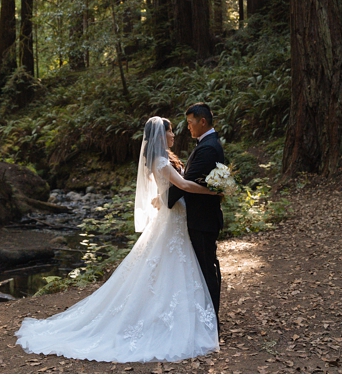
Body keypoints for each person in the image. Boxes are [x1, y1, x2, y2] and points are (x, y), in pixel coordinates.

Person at [15, 117, 220, 363]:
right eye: (170, 131)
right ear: (160, 135)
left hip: (174, 217)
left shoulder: (162, 159)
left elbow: (169, 189)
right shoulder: (161, 162)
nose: (174, 135)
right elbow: (184, 185)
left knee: (168, 267)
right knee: (167, 266)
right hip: (172, 219)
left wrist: (162, 197)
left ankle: (173, 315)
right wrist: (213, 190)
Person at [167, 102, 226, 324]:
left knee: (207, 269)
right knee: (203, 268)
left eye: (191, 123)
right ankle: (206, 318)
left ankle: (212, 321)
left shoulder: (208, 147)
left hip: (203, 220)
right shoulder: (207, 143)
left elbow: (187, 182)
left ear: (202, 121)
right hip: (201, 218)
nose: (188, 127)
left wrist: (164, 202)